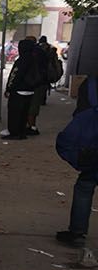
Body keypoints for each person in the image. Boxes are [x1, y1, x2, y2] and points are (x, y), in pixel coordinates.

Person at [55, 75, 98, 257]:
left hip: (94, 146)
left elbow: (81, 111)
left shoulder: (91, 83)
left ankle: (77, 232)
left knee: (85, 187)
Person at [4, 36, 50, 139]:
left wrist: (9, 89)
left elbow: (15, 75)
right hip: (31, 89)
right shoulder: (35, 57)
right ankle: (22, 132)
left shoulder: (22, 60)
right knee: (24, 112)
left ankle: (14, 133)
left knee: (15, 112)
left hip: (19, 89)